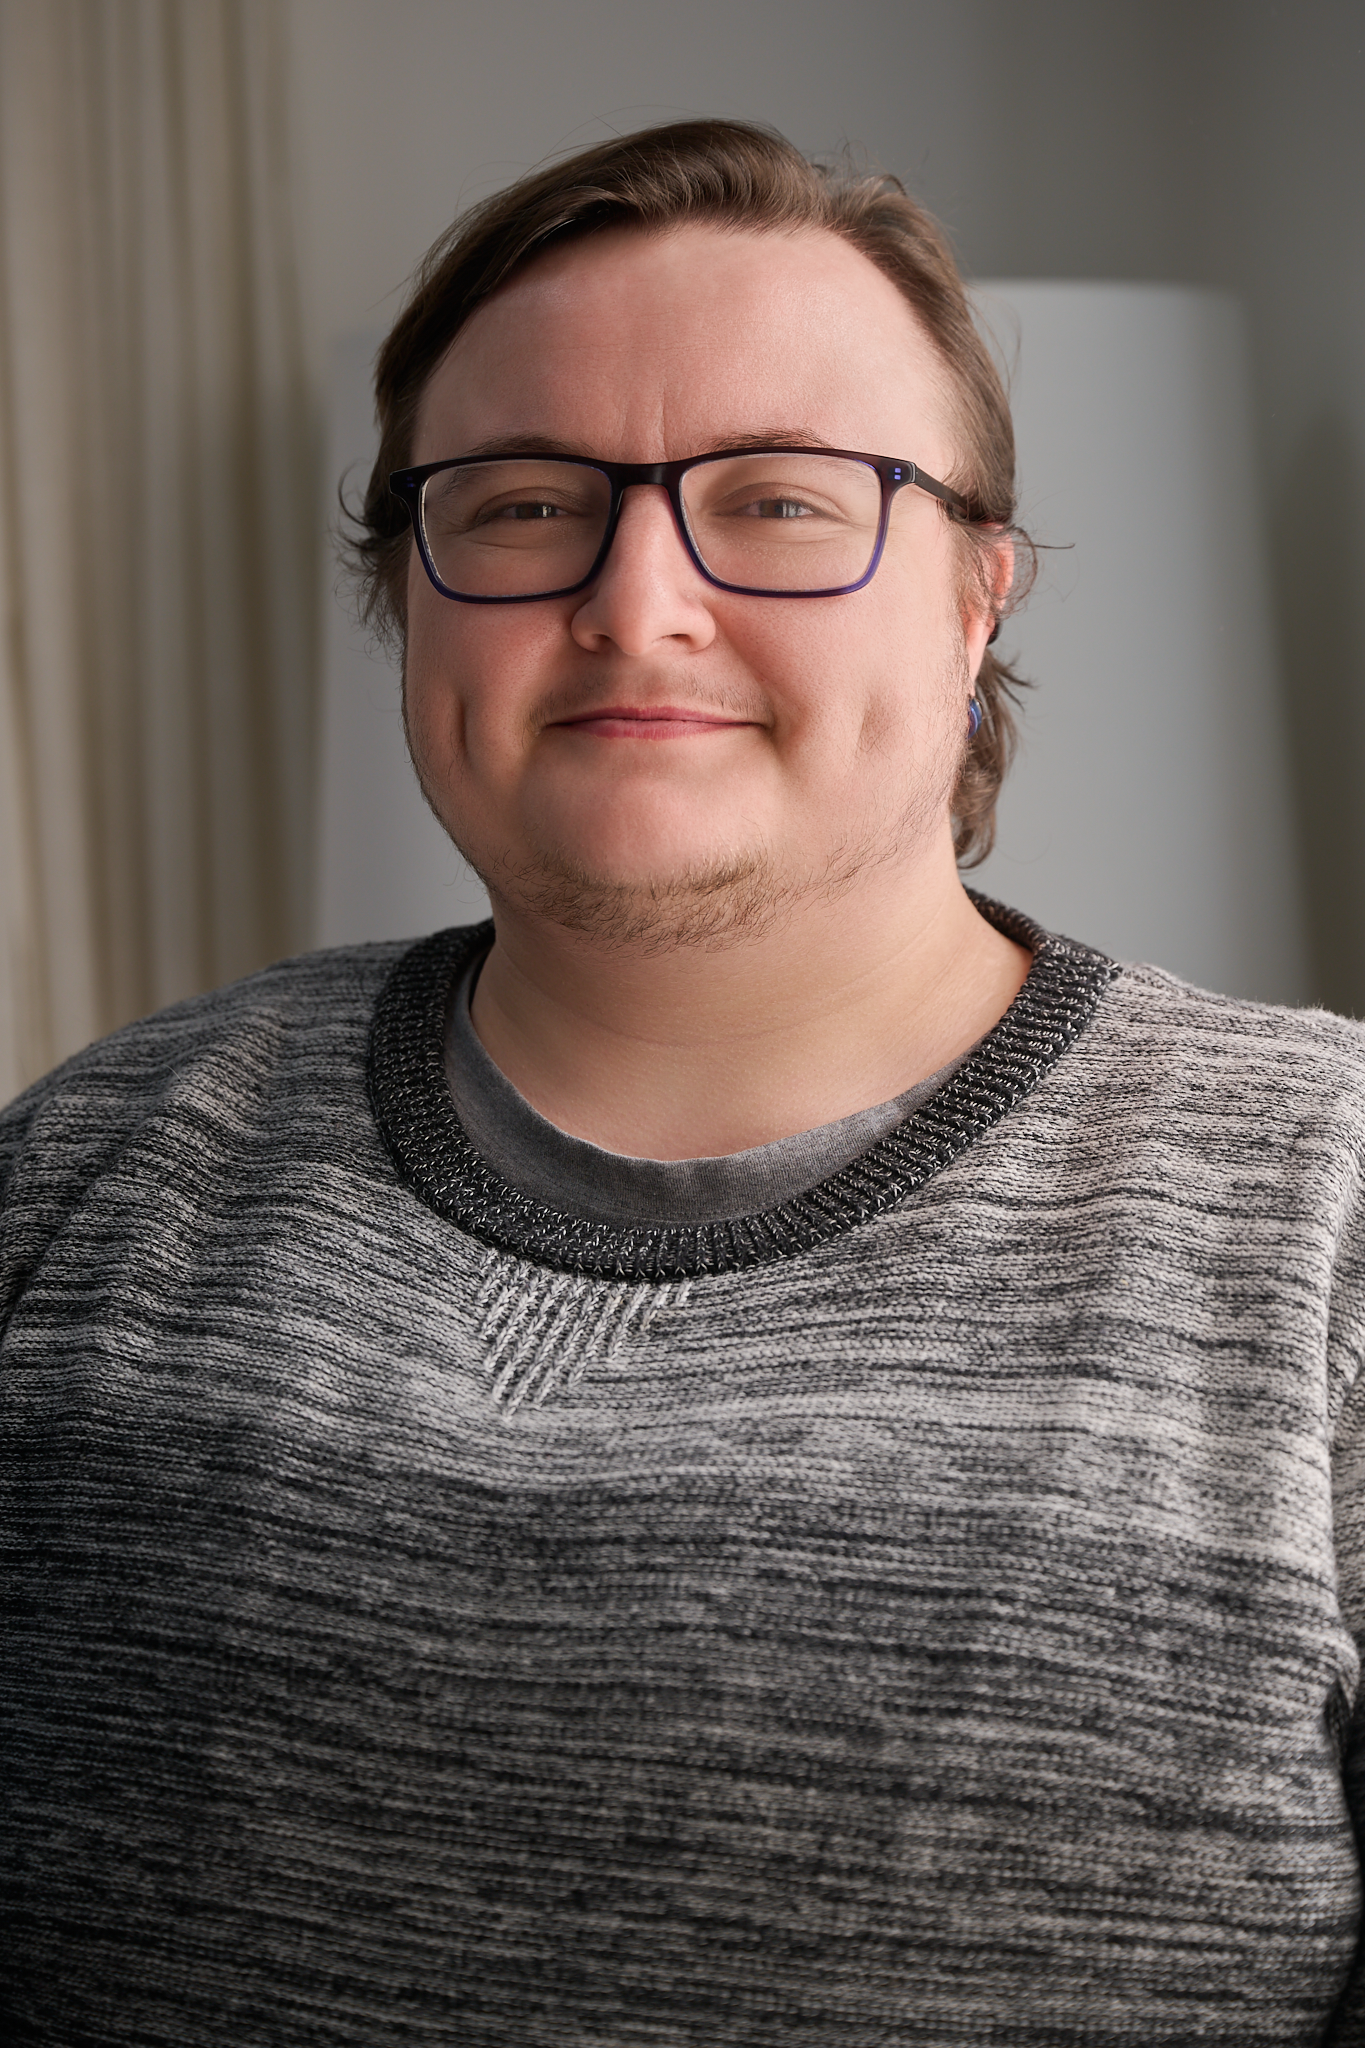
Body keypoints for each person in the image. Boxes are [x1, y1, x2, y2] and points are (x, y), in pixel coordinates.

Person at [2, 117, 1364, 2048]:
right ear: (407, 596)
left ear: (980, 597)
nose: (638, 602)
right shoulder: (83, 1170)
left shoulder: (1329, 1218)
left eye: (784, 500)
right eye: (524, 502)